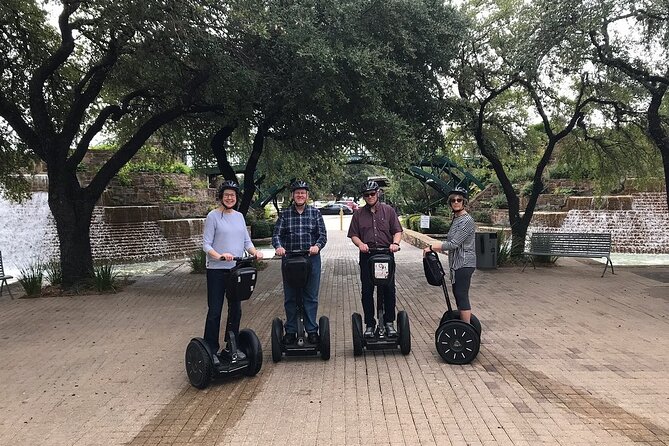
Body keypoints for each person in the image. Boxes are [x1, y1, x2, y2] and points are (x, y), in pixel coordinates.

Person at [203, 179, 263, 362]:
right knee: (215, 310)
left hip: (236, 270)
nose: (230, 198)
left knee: (235, 309)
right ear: (221, 197)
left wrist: (255, 252)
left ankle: (232, 345)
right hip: (216, 270)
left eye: (233, 195)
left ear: (236, 198)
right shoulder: (213, 216)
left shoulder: (239, 216)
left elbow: (246, 242)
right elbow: (206, 245)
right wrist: (219, 255)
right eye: (227, 195)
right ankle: (211, 349)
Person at [272, 180, 327, 345]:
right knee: (291, 297)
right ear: (293, 196)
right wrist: (279, 247)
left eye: (303, 193)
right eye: (297, 193)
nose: (300, 195)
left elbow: (322, 235)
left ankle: (311, 330)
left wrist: (317, 246)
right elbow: (276, 235)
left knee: (310, 296)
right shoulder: (285, 214)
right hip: (290, 260)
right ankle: (290, 330)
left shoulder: (315, 213)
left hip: (311, 259)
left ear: (307, 196)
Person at [347, 180, 403, 338]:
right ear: (363, 197)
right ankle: (370, 324)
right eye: (366, 195)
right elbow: (354, 235)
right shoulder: (358, 214)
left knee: (389, 289)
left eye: (372, 193)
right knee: (367, 291)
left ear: (377, 193)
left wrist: (395, 243)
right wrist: (360, 244)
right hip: (367, 256)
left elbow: (397, 230)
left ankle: (389, 322)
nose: (370, 196)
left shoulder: (389, 211)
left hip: (386, 255)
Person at [423, 186, 476, 324]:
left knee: (461, 295)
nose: (456, 202)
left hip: (464, 263)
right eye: (453, 200)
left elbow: (453, 244)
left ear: (464, 202)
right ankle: (464, 327)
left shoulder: (467, 220)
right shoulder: (457, 219)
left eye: (459, 200)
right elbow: (450, 241)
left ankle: (466, 328)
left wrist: (432, 246)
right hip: (456, 264)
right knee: (458, 295)